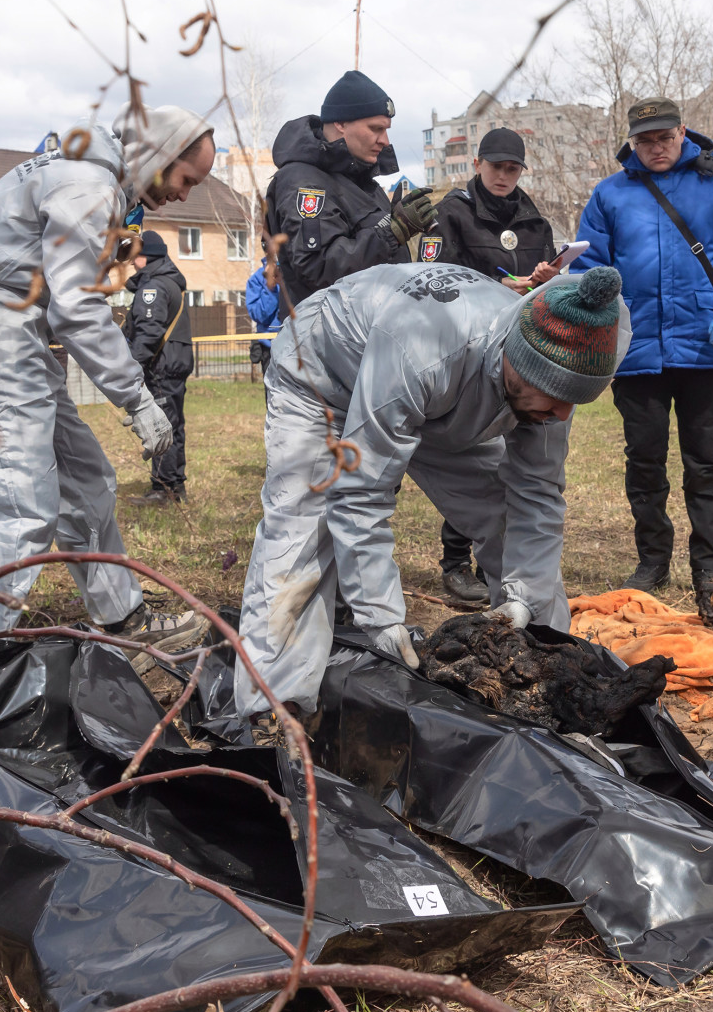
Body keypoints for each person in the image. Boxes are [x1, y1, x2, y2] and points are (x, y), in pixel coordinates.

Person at [235, 263, 630, 717]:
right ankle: (273, 710)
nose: (562, 415)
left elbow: (537, 494)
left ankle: (546, 683)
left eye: (573, 402)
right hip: (326, 374)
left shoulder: (559, 362)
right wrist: (381, 617)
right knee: (304, 531)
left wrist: (524, 598)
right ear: (517, 366)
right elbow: (361, 492)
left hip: (439, 399)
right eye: (554, 399)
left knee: (504, 517)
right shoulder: (422, 350)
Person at [0, 105, 213, 648]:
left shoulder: (86, 175)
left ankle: (120, 617)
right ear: (157, 156)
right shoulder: (87, 186)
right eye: (185, 179)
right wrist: (136, 399)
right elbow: (77, 309)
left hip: (12, 329)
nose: (184, 195)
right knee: (20, 495)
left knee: (85, 479)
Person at [577, 98, 713, 595]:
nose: (656, 148)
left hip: (706, 349)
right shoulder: (609, 196)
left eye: (665, 137)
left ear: (683, 132)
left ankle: (709, 568)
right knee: (644, 463)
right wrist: (597, 322)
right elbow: (588, 269)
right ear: (632, 143)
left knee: (704, 462)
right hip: (637, 354)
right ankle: (652, 563)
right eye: (645, 140)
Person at [421, 126, 563, 603]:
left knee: (513, 461)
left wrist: (543, 282)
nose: (504, 176)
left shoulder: (535, 224)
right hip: (463, 352)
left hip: (521, 354)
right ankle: (456, 561)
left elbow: (545, 294)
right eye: (496, 166)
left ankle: (505, 561)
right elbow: (435, 283)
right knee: (468, 453)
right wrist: (499, 290)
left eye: (513, 168)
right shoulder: (451, 216)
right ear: (476, 164)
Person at [265, 70, 438, 317]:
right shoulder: (303, 182)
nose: (385, 141)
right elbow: (318, 269)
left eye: (386, 130)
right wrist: (393, 232)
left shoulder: (364, 183)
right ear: (341, 124)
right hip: (328, 344)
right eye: (376, 129)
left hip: (372, 335)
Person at [120, 229, 194, 504]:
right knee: (172, 424)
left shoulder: (154, 287)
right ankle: (174, 487)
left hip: (161, 365)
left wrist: (132, 367)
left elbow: (149, 332)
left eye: (134, 256)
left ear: (145, 257)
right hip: (171, 362)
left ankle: (163, 490)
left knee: (163, 425)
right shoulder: (167, 282)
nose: (129, 262)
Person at [243, 249, 283, 382]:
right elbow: (259, 314)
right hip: (270, 347)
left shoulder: (296, 271)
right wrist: (270, 286)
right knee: (273, 397)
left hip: (299, 345)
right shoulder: (257, 279)